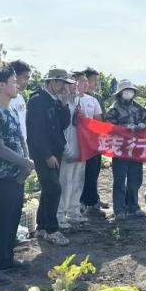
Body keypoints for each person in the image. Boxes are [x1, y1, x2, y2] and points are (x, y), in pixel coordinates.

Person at [0, 65, 35, 284]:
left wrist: (26, 162)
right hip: (1, 177)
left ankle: (5, 258)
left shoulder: (10, 110)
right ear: (1, 86)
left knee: (12, 217)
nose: (17, 85)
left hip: (15, 175)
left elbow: (20, 139)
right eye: (13, 81)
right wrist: (25, 162)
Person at [27, 68, 74, 245]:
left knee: (48, 189)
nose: (63, 87)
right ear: (52, 82)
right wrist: (47, 155)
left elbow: (63, 124)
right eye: (61, 83)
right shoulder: (38, 100)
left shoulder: (55, 100)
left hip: (55, 151)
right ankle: (52, 230)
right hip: (43, 152)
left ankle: (41, 227)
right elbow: (36, 131)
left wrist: (64, 104)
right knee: (54, 188)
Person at [104, 80, 146, 220]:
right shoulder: (113, 109)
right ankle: (119, 209)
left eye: (131, 90)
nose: (129, 92)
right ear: (120, 93)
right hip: (120, 149)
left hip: (136, 148)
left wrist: (143, 126)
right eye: (126, 90)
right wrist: (124, 128)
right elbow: (108, 128)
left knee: (135, 179)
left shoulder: (139, 108)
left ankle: (133, 207)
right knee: (119, 180)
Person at [56, 72, 87, 230]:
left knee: (77, 181)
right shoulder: (60, 102)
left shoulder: (77, 101)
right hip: (67, 148)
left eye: (76, 82)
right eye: (71, 82)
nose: (75, 85)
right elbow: (58, 129)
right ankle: (60, 215)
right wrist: (66, 149)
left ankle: (74, 211)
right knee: (65, 182)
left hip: (79, 147)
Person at [80, 66, 108, 215]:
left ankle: (94, 198)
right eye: (93, 80)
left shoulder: (97, 98)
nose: (95, 83)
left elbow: (101, 119)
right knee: (83, 173)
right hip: (82, 142)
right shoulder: (76, 98)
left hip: (96, 141)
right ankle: (83, 201)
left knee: (94, 171)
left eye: (97, 80)